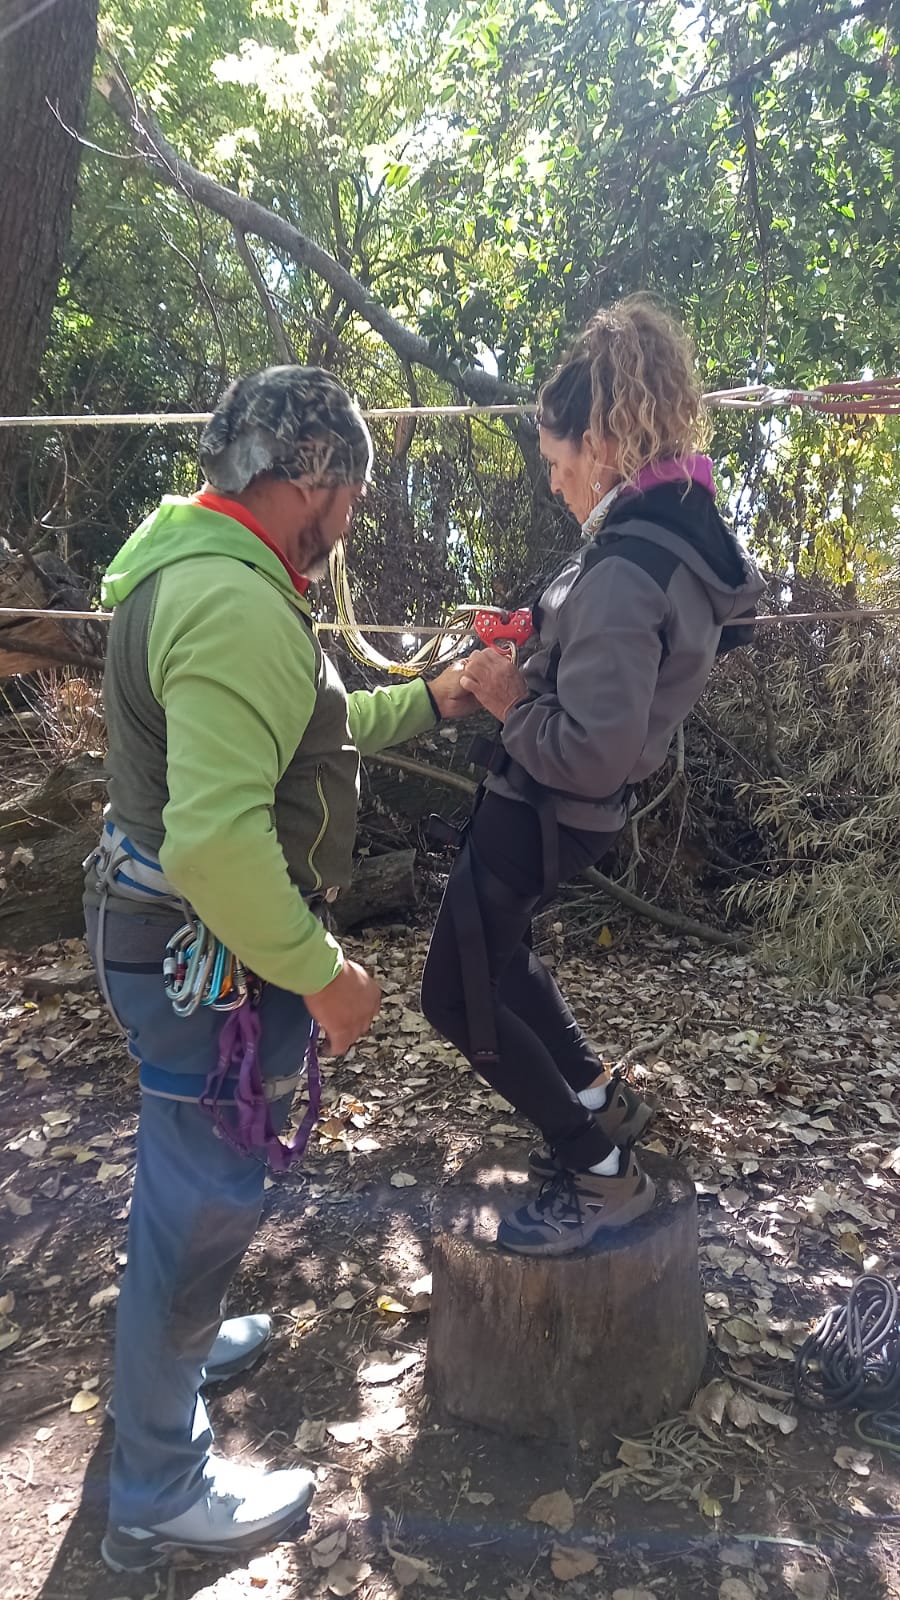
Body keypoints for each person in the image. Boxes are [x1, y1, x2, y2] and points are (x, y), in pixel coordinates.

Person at [83, 366, 474, 1573]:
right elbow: (215, 840)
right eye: (350, 492)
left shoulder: (200, 565)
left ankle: (168, 1363)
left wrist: (440, 697)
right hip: (204, 965)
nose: (351, 519)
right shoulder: (237, 604)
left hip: (168, 944)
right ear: (311, 478)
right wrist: (324, 974)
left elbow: (308, 728)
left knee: (185, 1191)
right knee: (199, 1210)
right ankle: (159, 1487)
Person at [421, 296, 764, 1257]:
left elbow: (591, 748)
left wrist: (506, 699)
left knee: (455, 997)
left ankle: (599, 1173)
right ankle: (598, 1098)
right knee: (500, 957)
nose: (554, 480)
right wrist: (532, 651)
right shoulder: (662, 538)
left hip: (546, 805)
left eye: (557, 460)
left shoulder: (626, 566)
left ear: (603, 444)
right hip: (559, 812)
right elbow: (602, 680)